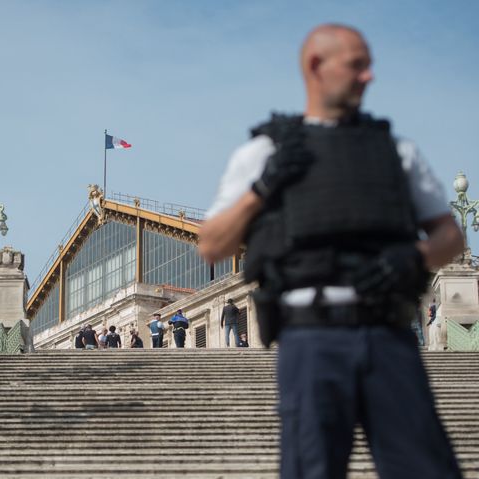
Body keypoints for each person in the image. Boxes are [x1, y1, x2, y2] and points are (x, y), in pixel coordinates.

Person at [198, 24, 464, 479]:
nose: (368, 77)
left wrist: (415, 258)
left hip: (388, 332)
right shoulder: (264, 152)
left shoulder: (396, 151)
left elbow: (451, 235)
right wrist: (263, 188)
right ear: (316, 66)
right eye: (357, 65)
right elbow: (212, 243)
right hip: (310, 336)